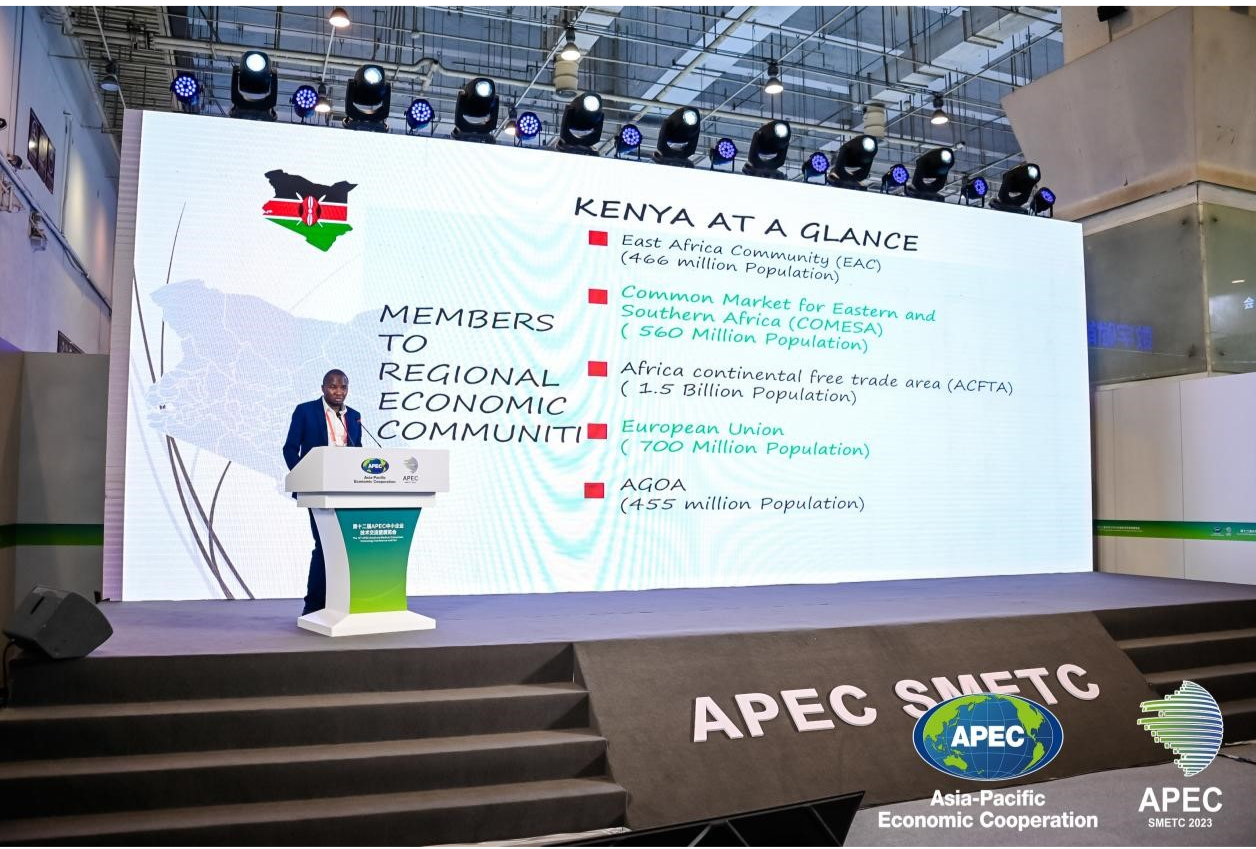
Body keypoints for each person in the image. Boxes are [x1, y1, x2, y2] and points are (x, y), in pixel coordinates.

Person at [283, 369, 363, 615]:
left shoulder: (354, 416)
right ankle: (314, 605)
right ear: (323, 388)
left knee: (345, 548)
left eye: (343, 387)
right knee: (324, 545)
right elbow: (289, 449)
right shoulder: (305, 411)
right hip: (318, 490)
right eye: (333, 386)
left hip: (347, 491)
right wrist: (304, 478)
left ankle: (340, 603)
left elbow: (358, 451)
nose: (338, 392)